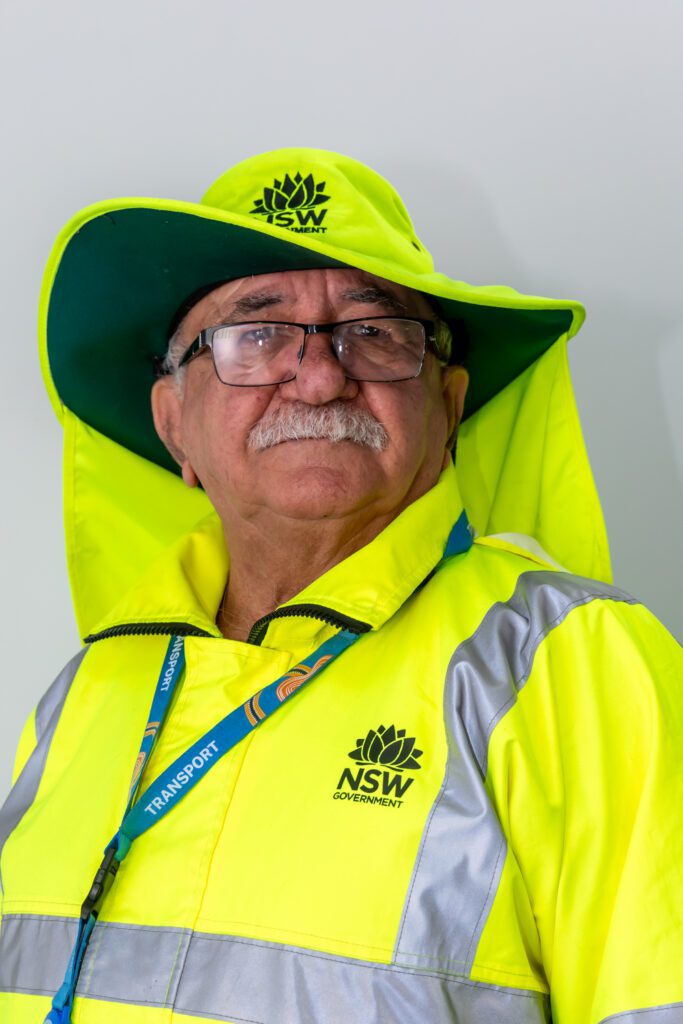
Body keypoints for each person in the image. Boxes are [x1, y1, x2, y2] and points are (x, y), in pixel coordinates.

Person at [0, 148, 680, 1024]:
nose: (321, 378)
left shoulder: (564, 662)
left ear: (448, 408)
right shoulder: (90, 690)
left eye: (376, 334)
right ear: (174, 424)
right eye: (255, 335)